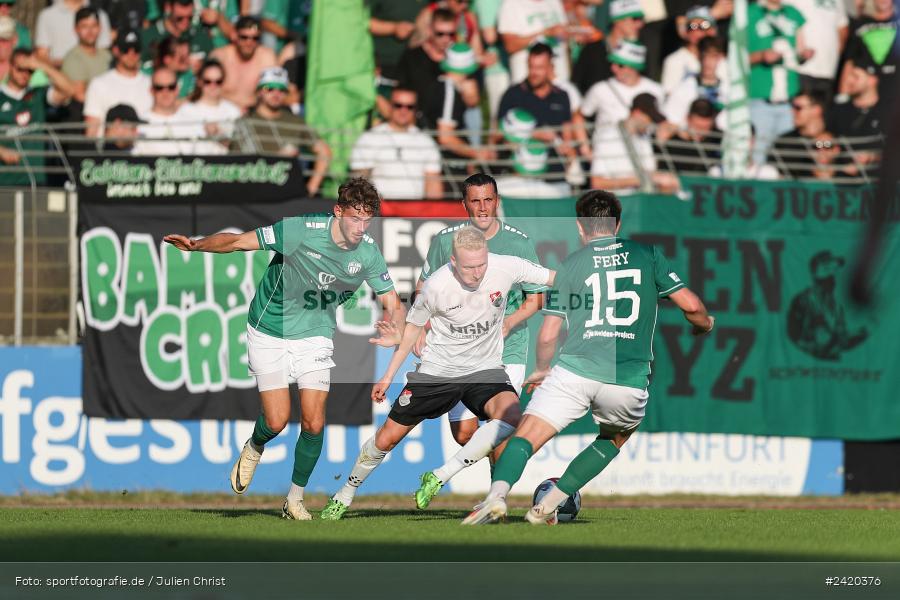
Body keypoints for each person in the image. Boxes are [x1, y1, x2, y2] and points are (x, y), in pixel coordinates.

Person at [462, 189, 715, 525]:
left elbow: (549, 333)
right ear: (618, 224)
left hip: (574, 373)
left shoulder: (569, 266)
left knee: (526, 436)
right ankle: (547, 506)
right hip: (626, 380)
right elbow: (693, 307)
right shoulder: (648, 254)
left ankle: (494, 499)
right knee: (615, 436)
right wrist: (704, 326)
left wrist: (540, 370)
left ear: (580, 227)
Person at [163, 178, 407, 521]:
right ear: (338, 212)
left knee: (314, 421)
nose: (360, 227)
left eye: (367, 220)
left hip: (315, 334)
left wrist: (395, 327)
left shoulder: (366, 252)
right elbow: (237, 242)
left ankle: (294, 499)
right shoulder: (299, 231)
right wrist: (196, 246)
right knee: (276, 421)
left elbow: (391, 300)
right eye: (355, 217)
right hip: (269, 328)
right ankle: (254, 445)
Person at [320, 226, 555, 521]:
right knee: (386, 439)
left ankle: (439, 476)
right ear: (454, 262)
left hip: (484, 369)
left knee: (511, 417)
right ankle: (344, 495)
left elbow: (554, 278)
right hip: (437, 373)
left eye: (482, 264)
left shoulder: (505, 265)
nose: (478, 273)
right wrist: (388, 376)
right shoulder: (436, 286)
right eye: (469, 267)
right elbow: (411, 333)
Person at [411, 173, 548, 507]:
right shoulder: (446, 240)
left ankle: (494, 501)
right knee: (464, 433)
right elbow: (423, 289)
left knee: (500, 424)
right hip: (459, 352)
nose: (483, 208)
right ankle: (488, 487)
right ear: (465, 204)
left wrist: (509, 322)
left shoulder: (518, 242)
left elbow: (537, 298)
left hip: (508, 350)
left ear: (497, 201)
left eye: (489, 200)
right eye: (475, 201)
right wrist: (421, 327)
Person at [236, 67, 331, 197]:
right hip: (251, 193)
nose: (276, 93)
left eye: (282, 90)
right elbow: (236, 162)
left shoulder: (296, 121)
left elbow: (324, 152)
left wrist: (310, 188)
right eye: (269, 88)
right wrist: (276, 158)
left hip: (287, 195)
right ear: (259, 91)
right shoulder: (244, 121)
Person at [747, 0, 813, 165]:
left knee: (787, 157)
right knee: (758, 155)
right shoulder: (749, 13)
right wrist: (761, 56)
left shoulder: (793, 12)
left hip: (789, 102)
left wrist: (804, 55)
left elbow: (799, 49)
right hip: (760, 99)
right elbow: (736, 58)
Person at [496, 43, 577, 175]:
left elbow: (567, 137)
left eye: (539, 68)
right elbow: (498, 136)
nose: (534, 72)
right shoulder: (513, 94)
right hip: (520, 174)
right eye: (531, 66)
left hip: (555, 175)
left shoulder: (562, 96)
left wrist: (566, 149)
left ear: (551, 68)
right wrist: (532, 134)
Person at [349, 88, 443, 200]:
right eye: (398, 105)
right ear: (390, 106)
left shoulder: (426, 142)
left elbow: (433, 186)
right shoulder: (369, 138)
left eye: (410, 107)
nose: (403, 110)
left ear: (415, 110)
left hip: (415, 211)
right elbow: (359, 181)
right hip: (379, 211)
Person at [0, 47, 74, 186]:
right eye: (20, 69)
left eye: (30, 71)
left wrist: (41, 65)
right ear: (10, 67)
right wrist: (1, 151)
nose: (25, 74)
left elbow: (69, 90)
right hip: (5, 180)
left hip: (36, 180)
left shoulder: (38, 95)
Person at [83, 31, 152, 136]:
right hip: (111, 150)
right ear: (116, 50)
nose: (131, 54)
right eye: (126, 49)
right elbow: (92, 131)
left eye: (136, 49)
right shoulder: (99, 84)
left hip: (146, 149)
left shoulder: (152, 83)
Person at [572, 0, 645, 95]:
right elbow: (576, 83)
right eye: (635, 19)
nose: (640, 24)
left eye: (641, 20)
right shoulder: (592, 50)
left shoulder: (640, 49)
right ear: (618, 20)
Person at [210, 15, 277, 111]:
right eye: (244, 37)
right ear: (234, 35)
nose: (249, 42)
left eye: (255, 38)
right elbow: (208, 90)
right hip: (221, 112)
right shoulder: (220, 56)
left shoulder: (267, 57)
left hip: (253, 113)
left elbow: (273, 90)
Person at [785, 0, 848, 102]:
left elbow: (842, 28)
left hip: (828, 72)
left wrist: (835, 57)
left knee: (823, 116)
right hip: (801, 69)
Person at [132, 67, 202, 156]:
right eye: (159, 88)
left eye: (171, 87)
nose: (165, 92)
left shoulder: (193, 121)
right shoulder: (139, 124)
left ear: (177, 90)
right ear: (152, 91)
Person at [178, 59, 242, 155]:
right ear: (199, 82)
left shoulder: (233, 111)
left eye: (218, 82)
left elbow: (241, 147)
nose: (213, 86)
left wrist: (218, 135)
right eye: (208, 81)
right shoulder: (186, 110)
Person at [498, 0, 570, 84]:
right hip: (527, 83)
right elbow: (510, 46)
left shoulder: (555, 2)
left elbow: (564, 32)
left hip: (559, 79)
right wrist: (545, 33)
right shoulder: (511, 4)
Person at [663, 36, 728, 128]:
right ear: (698, 56)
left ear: (720, 58)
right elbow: (671, 121)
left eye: (713, 57)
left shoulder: (729, 89)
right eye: (704, 56)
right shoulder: (684, 88)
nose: (707, 62)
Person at [660, 6, 723, 95]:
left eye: (704, 26)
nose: (698, 31)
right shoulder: (674, 60)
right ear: (685, 32)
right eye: (692, 26)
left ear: (713, 31)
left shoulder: (723, 60)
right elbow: (668, 95)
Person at [60, 7, 112, 109]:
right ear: (76, 29)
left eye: (94, 26)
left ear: (100, 28)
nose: (90, 31)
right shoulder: (73, 58)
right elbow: (80, 96)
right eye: (84, 26)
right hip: (84, 114)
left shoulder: (107, 55)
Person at [768, 90, 827, 178]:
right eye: (792, 107)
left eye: (798, 108)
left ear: (816, 110)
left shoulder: (832, 137)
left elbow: (825, 146)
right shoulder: (784, 142)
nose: (792, 112)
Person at [35, 0, 112, 67]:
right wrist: (69, 66)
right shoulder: (47, 15)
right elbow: (42, 54)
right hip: (58, 77)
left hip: (94, 77)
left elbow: (104, 51)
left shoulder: (100, 15)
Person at [141, 0, 214, 68]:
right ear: (168, 8)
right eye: (179, 18)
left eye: (189, 18)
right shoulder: (148, 37)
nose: (185, 22)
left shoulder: (199, 35)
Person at [144, 35, 196, 99]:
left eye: (187, 55)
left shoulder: (188, 75)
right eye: (181, 57)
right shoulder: (145, 75)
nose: (186, 60)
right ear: (167, 60)